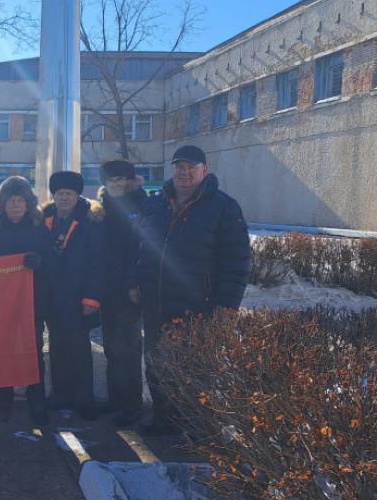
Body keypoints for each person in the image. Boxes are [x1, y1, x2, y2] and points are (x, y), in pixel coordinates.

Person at [131, 144, 251, 435]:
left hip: (199, 304)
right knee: (157, 363)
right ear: (171, 170)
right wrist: (135, 282)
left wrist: (226, 306)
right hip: (157, 302)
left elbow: (237, 262)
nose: (184, 173)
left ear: (204, 171)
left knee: (196, 367)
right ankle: (164, 419)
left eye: (191, 168)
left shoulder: (223, 206)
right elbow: (140, 247)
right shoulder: (154, 203)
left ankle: (199, 426)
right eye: (179, 167)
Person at [0, 176, 56, 425]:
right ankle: (4, 401)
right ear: (3, 204)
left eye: (21, 200)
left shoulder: (39, 228)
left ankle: (37, 403)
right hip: (0, 305)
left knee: (33, 353)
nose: (16, 206)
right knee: (2, 353)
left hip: (32, 302)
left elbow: (55, 264)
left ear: (28, 203)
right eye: (11, 200)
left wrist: (41, 263)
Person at [41, 170, 106, 420]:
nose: (64, 198)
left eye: (68, 193)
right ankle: (61, 395)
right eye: (59, 194)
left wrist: (92, 299)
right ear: (54, 196)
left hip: (78, 297)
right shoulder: (46, 218)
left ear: (77, 195)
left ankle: (84, 399)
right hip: (53, 297)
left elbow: (98, 263)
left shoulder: (91, 221)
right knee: (57, 347)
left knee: (79, 348)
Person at [96, 159, 148, 427]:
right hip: (108, 288)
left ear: (129, 181)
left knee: (127, 348)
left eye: (121, 179)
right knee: (111, 347)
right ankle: (116, 399)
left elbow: (142, 248)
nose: (116, 184)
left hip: (129, 288)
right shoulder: (102, 207)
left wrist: (134, 283)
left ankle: (132, 405)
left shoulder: (142, 204)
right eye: (111, 180)